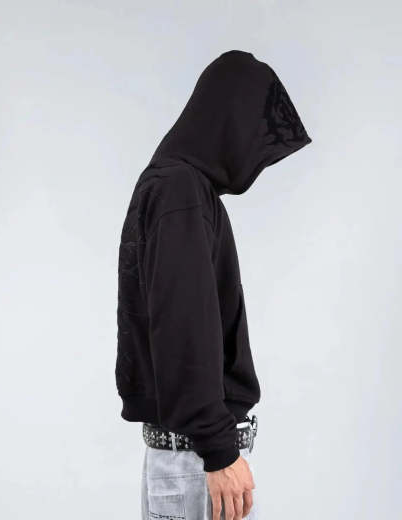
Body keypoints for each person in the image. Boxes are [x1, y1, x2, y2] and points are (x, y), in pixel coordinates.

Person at [116, 49, 311, 520]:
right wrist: (219, 451)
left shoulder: (177, 186)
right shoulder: (180, 190)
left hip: (192, 457)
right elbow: (182, 326)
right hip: (198, 461)